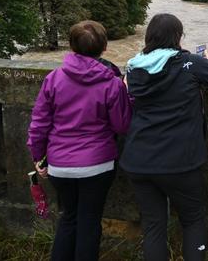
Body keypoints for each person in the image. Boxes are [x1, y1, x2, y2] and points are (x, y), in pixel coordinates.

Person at [120, 13, 208, 261]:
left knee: (153, 226)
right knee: (192, 219)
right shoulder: (189, 63)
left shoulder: (133, 68)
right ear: (178, 37)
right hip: (178, 161)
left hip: (138, 159)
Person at [27, 20, 132, 261]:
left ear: (72, 47)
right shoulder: (112, 83)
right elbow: (122, 126)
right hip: (97, 164)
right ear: (104, 48)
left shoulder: (53, 79)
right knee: (89, 221)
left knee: (69, 218)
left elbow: (39, 124)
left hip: (60, 165)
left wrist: (38, 157)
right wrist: (127, 96)